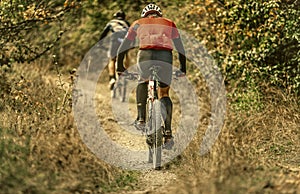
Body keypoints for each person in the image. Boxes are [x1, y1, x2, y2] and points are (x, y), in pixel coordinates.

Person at [117, 3, 186, 150]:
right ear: (159, 15)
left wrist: (119, 67)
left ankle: (141, 119)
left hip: (145, 56)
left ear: (145, 15)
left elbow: (124, 46)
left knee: (143, 80)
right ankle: (168, 133)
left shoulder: (137, 23)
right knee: (164, 93)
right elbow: (180, 48)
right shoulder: (169, 23)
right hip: (165, 57)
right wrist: (183, 68)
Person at [99, 10, 131, 93]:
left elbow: (103, 34)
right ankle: (125, 75)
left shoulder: (111, 22)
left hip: (115, 39)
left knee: (112, 59)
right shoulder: (126, 23)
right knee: (125, 56)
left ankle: (112, 78)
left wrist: (100, 44)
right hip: (125, 40)